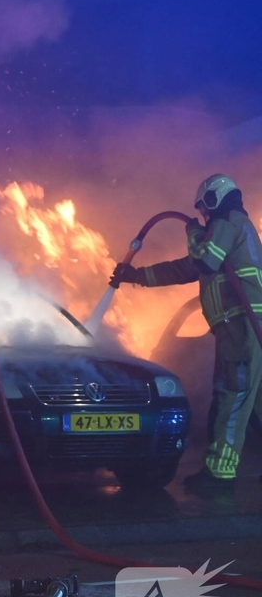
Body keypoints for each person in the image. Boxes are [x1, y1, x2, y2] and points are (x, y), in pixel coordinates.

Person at [111, 173, 262, 493]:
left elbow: (204, 261)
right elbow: (185, 269)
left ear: (215, 198)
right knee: (254, 400)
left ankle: (220, 474)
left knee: (231, 396)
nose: (203, 214)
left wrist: (193, 230)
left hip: (241, 326)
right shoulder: (225, 232)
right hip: (240, 328)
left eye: (204, 207)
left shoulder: (228, 221)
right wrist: (135, 275)